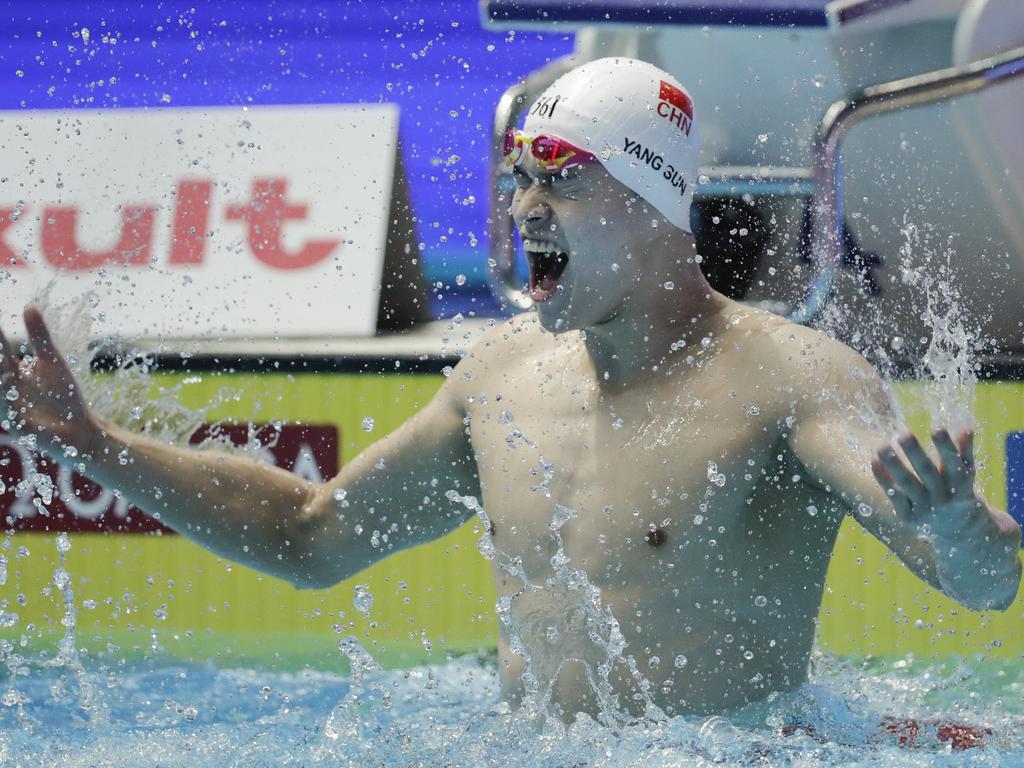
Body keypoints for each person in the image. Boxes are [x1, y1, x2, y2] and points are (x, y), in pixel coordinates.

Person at [1, 58, 1020, 732]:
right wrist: (94, 446)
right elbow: (311, 537)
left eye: (562, 178)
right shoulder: (500, 378)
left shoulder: (791, 381)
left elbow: (980, 585)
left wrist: (960, 528)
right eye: (518, 176)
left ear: (656, 201)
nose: (525, 206)